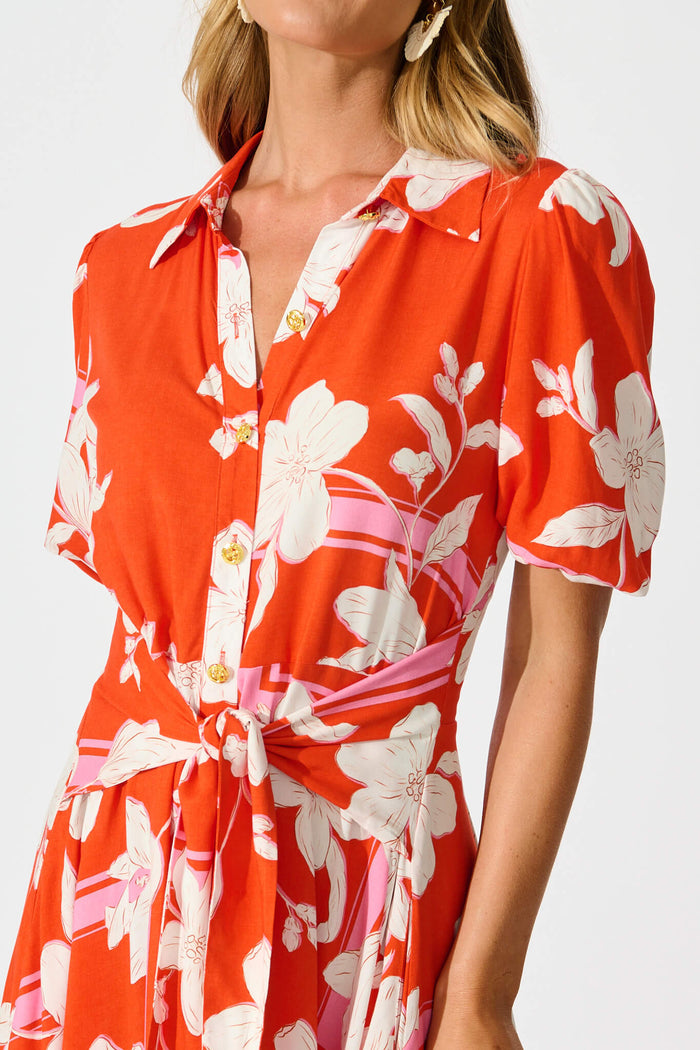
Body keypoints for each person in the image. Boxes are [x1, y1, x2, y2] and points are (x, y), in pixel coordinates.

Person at [0, 1, 665, 1048]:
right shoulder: (125, 269)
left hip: (362, 899)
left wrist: (483, 991)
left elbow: (554, 652)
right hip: (117, 893)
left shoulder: (537, 231)